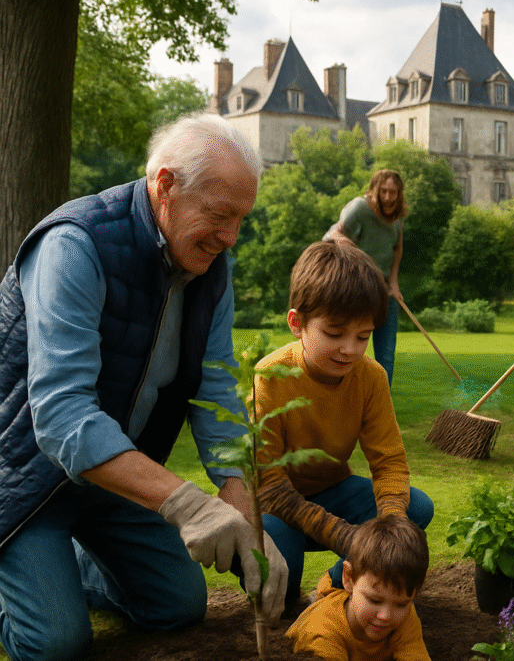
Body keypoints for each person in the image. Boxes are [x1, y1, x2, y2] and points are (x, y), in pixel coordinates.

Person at [0, 113, 288, 661]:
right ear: (165, 186)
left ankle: (67, 569)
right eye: (220, 215)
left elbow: (216, 390)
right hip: (24, 480)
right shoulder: (74, 246)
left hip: (112, 478)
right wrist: (189, 506)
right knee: (56, 644)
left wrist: (238, 499)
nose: (230, 238)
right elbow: (62, 418)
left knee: (178, 606)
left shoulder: (210, 267)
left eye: (240, 220)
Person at [252, 240, 434, 607]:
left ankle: (336, 586)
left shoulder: (371, 377)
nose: (350, 349)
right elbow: (269, 487)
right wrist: (350, 539)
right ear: (297, 324)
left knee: (414, 508)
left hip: (334, 491)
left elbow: (389, 463)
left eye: (363, 336)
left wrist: (390, 530)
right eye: (334, 334)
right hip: (274, 506)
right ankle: (287, 601)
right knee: (276, 560)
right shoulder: (270, 377)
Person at [286, 515, 430, 661]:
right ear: (348, 578)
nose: (386, 616)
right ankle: (321, 595)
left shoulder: (405, 617)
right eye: (375, 600)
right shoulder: (322, 633)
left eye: (401, 604)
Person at [325, 170, 408, 386]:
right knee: (349, 350)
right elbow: (335, 234)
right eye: (384, 192)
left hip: (384, 291)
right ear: (375, 191)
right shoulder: (360, 208)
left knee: (387, 356)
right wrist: (343, 244)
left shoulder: (396, 220)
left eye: (394, 192)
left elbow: (397, 249)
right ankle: (343, 397)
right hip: (356, 290)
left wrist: (394, 284)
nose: (389, 197)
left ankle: (382, 409)